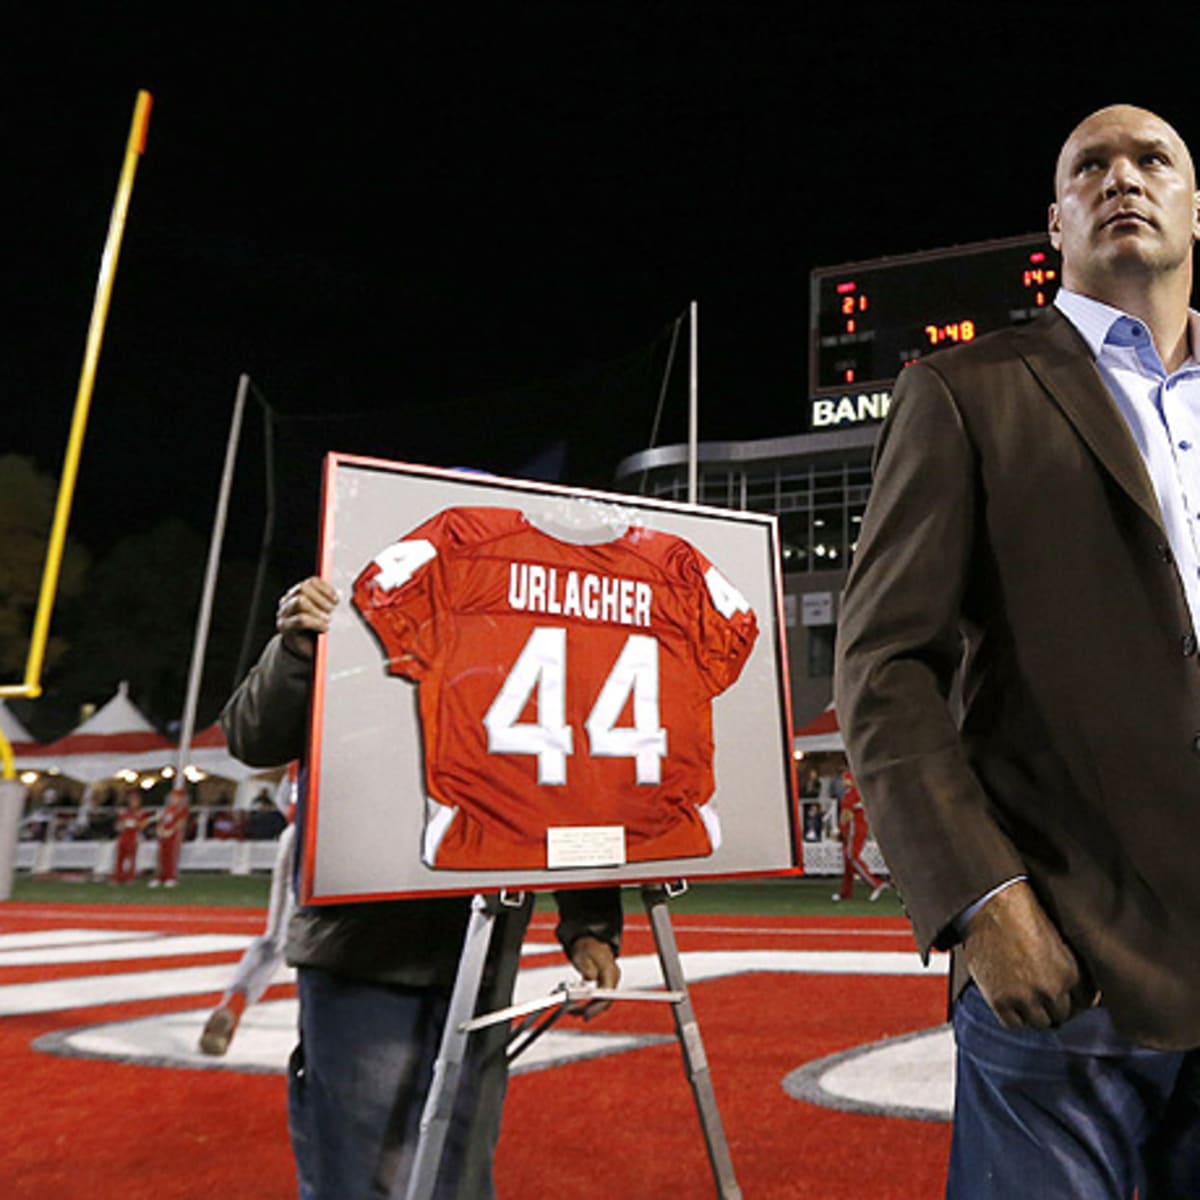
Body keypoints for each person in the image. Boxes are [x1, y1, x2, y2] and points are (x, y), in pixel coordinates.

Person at [835, 104, 1200, 1198]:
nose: (1122, 178)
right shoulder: (966, 390)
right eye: (1091, 165)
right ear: (1056, 220)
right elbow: (884, 665)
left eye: (1153, 161)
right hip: (1071, 962)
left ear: (1197, 206)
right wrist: (983, 900)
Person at [223, 575, 622, 1199]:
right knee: (358, 1177)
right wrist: (296, 649)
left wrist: (590, 926)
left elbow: (560, 780)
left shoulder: (524, 649)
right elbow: (251, 737)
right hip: (362, 949)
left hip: (479, 954)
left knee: (458, 1174)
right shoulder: (352, 629)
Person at [829, 766, 886, 903]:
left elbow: (846, 814)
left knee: (851, 856)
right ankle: (845, 892)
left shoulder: (851, 794)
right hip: (859, 828)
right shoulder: (859, 793)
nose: (843, 781)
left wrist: (839, 830)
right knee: (848, 863)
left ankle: (874, 883)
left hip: (854, 829)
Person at [150, 785, 189, 888]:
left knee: (171, 857)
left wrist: (171, 830)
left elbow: (181, 822)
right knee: (161, 856)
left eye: (176, 797)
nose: (173, 799)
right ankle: (159, 876)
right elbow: (161, 820)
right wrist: (160, 829)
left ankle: (171, 877)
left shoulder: (182, 809)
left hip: (173, 835)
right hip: (164, 835)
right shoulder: (167, 809)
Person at [112, 789, 148, 883]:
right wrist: (122, 825)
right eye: (131, 800)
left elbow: (142, 826)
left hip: (133, 837)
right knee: (120, 858)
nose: (133, 802)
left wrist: (133, 824)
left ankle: (129, 877)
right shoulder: (125, 813)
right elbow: (117, 826)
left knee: (131, 858)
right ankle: (118, 877)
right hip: (123, 837)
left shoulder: (140, 813)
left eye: (135, 800)